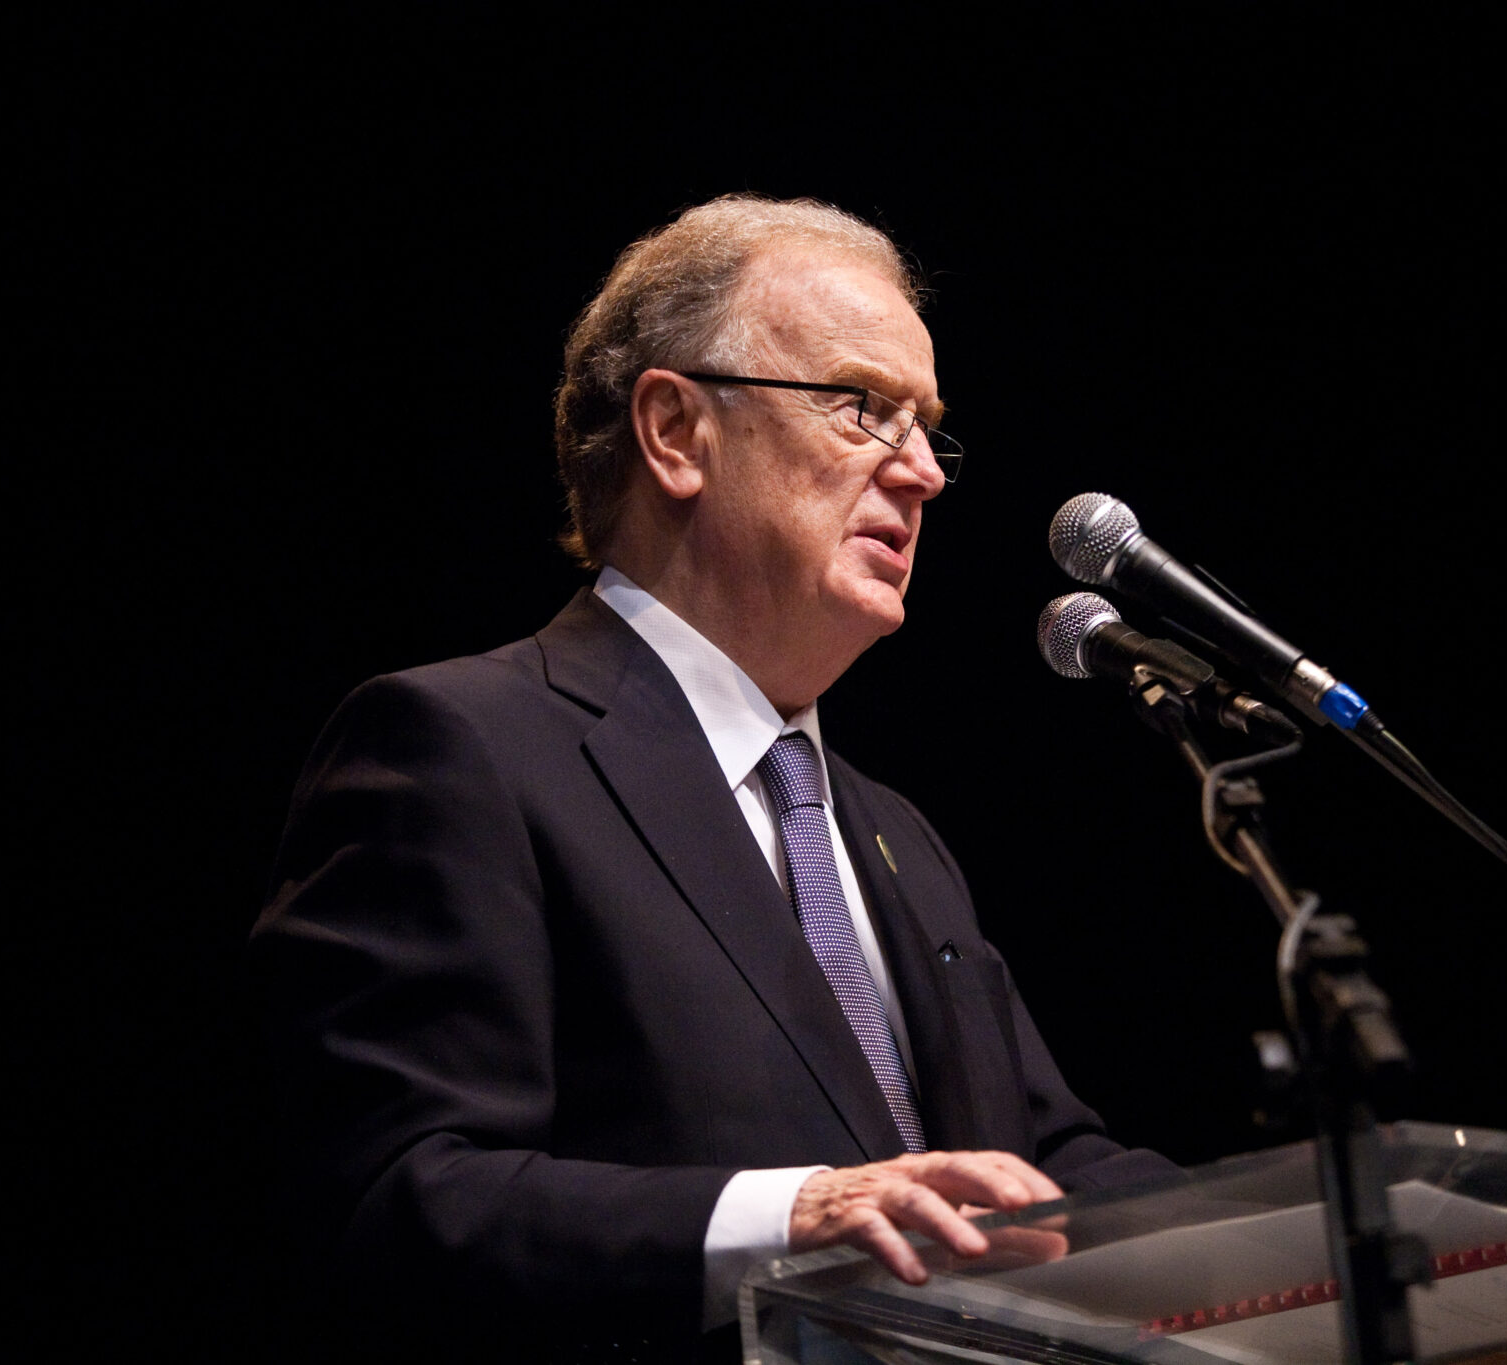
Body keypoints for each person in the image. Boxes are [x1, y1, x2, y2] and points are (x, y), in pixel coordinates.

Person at [250, 195, 1167, 1362]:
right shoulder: (456, 750)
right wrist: (788, 1219)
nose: (921, 474)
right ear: (676, 432)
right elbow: (389, 1199)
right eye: (861, 407)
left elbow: (1041, 1161)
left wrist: (1322, 1227)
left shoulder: (894, 835)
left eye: (927, 428)